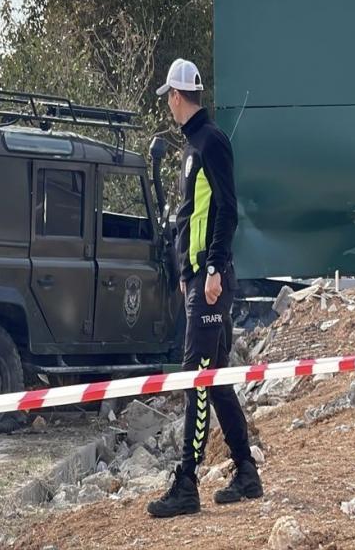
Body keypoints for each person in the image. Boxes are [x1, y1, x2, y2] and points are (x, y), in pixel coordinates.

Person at [147, 59, 263, 518]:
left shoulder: (211, 142)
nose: (168, 106)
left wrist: (213, 270)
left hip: (212, 281)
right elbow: (190, 217)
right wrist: (184, 271)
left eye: (168, 98)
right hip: (197, 278)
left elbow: (228, 211)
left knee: (195, 373)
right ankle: (247, 472)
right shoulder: (192, 145)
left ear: (177, 96)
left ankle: (187, 481)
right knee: (214, 380)